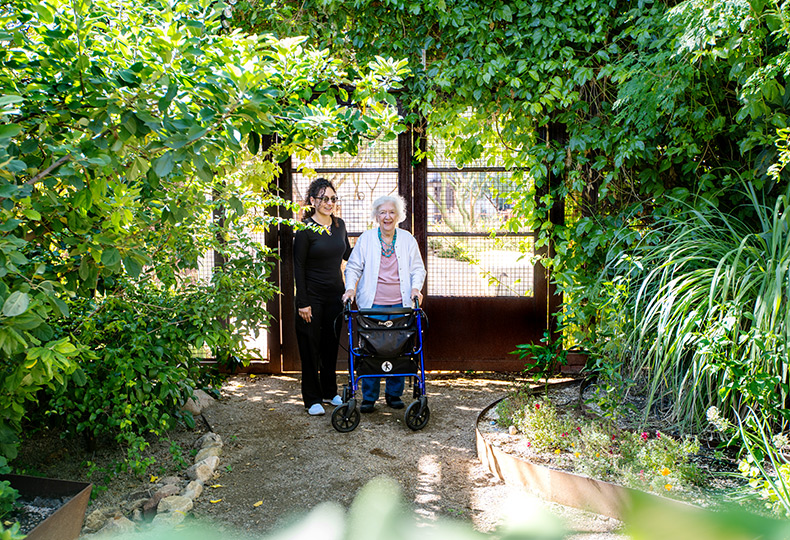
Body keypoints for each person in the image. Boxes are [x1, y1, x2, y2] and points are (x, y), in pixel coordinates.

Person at [342, 194, 426, 413]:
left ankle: (393, 395)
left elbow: (418, 268)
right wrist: (350, 288)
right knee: (371, 350)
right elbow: (353, 267)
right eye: (382, 212)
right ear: (376, 216)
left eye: (391, 212)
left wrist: (416, 288)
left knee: (398, 350)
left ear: (398, 215)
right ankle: (369, 397)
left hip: (401, 304)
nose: (387, 217)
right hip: (372, 305)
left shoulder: (407, 239)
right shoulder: (366, 239)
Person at [294, 178, 352, 416]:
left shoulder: (339, 226)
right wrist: (303, 302)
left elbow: (349, 253)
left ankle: (330, 392)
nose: (329, 203)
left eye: (332, 199)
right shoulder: (306, 228)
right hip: (312, 298)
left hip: (334, 297)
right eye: (324, 199)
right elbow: (298, 266)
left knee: (330, 346)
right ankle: (312, 399)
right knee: (310, 348)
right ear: (312, 201)